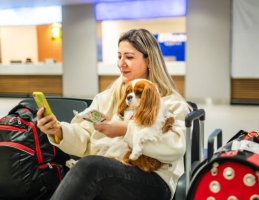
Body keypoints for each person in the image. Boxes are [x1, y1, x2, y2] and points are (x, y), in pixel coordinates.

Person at [37, 28, 189, 200]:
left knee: (90, 167)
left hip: (153, 179)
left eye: (129, 57)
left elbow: (175, 148)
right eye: (119, 56)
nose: (121, 63)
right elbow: (86, 137)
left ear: (149, 61)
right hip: (108, 169)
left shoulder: (172, 103)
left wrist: (125, 130)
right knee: (90, 168)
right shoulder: (106, 98)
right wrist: (58, 131)